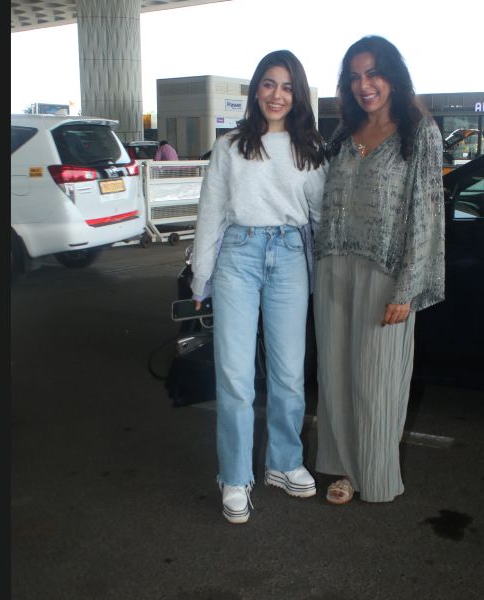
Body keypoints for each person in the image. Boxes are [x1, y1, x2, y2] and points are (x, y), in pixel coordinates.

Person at [189, 50, 327, 524]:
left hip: (290, 256)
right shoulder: (230, 146)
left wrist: (325, 275)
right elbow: (211, 213)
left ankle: (284, 463)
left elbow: (321, 217)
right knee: (235, 374)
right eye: (269, 84)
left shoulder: (310, 148)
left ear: (298, 94)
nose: (277, 95)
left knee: (289, 372)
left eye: (287, 87)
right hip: (239, 255)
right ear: (255, 89)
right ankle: (234, 476)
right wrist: (201, 276)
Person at [313, 35, 445, 505]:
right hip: (333, 265)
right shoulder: (342, 134)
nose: (364, 84)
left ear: (392, 75)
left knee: (376, 381)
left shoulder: (419, 131)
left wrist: (407, 288)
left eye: (373, 73)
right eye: (355, 77)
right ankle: (343, 469)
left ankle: (374, 473)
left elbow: (427, 212)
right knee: (335, 377)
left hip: (385, 272)